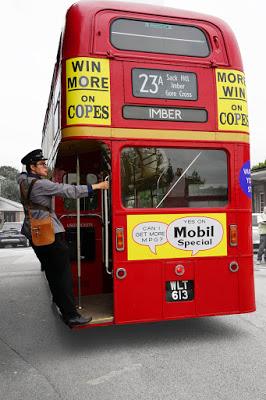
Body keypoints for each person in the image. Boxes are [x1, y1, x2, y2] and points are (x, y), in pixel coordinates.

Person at [18, 149, 109, 327]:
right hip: (49, 233)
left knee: (53, 274)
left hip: (34, 231)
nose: (45, 166)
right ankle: (71, 315)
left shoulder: (23, 181)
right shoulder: (39, 185)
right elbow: (67, 190)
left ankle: (61, 306)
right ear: (32, 167)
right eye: (42, 164)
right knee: (63, 275)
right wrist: (97, 186)